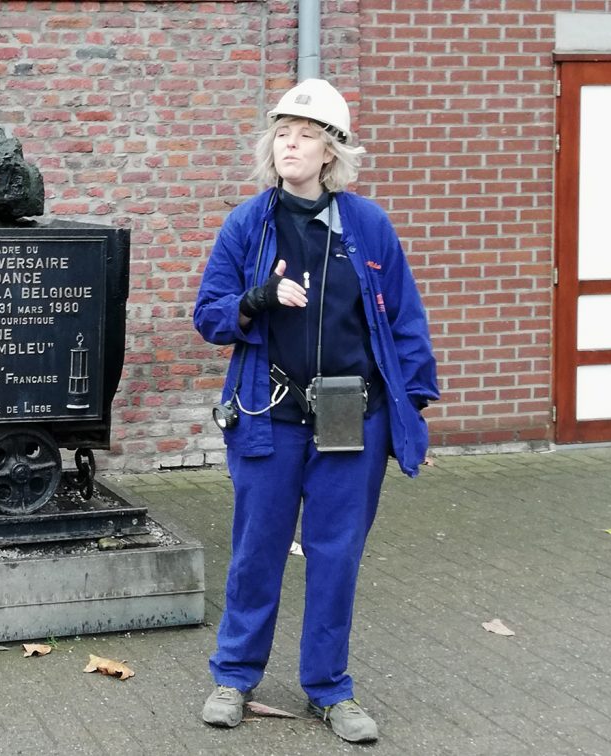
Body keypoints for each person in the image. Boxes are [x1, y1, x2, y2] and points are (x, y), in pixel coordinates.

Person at [192, 78, 439, 743]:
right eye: (282, 132)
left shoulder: (368, 225)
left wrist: (413, 409)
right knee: (255, 552)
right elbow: (209, 316)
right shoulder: (248, 223)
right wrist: (259, 299)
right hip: (269, 415)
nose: (289, 144)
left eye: (305, 135)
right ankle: (235, 677)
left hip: (352, 418)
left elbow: (406, 325)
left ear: (331, 152)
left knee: (336, 557)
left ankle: (329, 689)